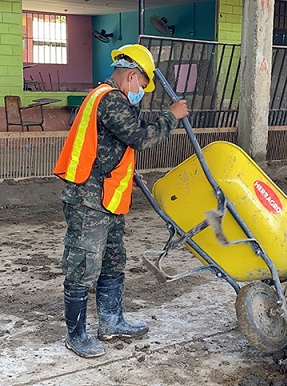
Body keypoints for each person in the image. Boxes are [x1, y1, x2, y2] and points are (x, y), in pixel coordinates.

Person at [53, 44, 189, 358]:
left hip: (108, 196)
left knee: (113, 261)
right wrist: (171, 117)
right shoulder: (110, 99)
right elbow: (140, 138)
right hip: (89, 200)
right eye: (142, 85)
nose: (141, 91)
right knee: (83, 266)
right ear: (130, 76)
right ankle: (76, 336)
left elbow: (113, 147)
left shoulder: (109, 98)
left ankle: (111, 322)